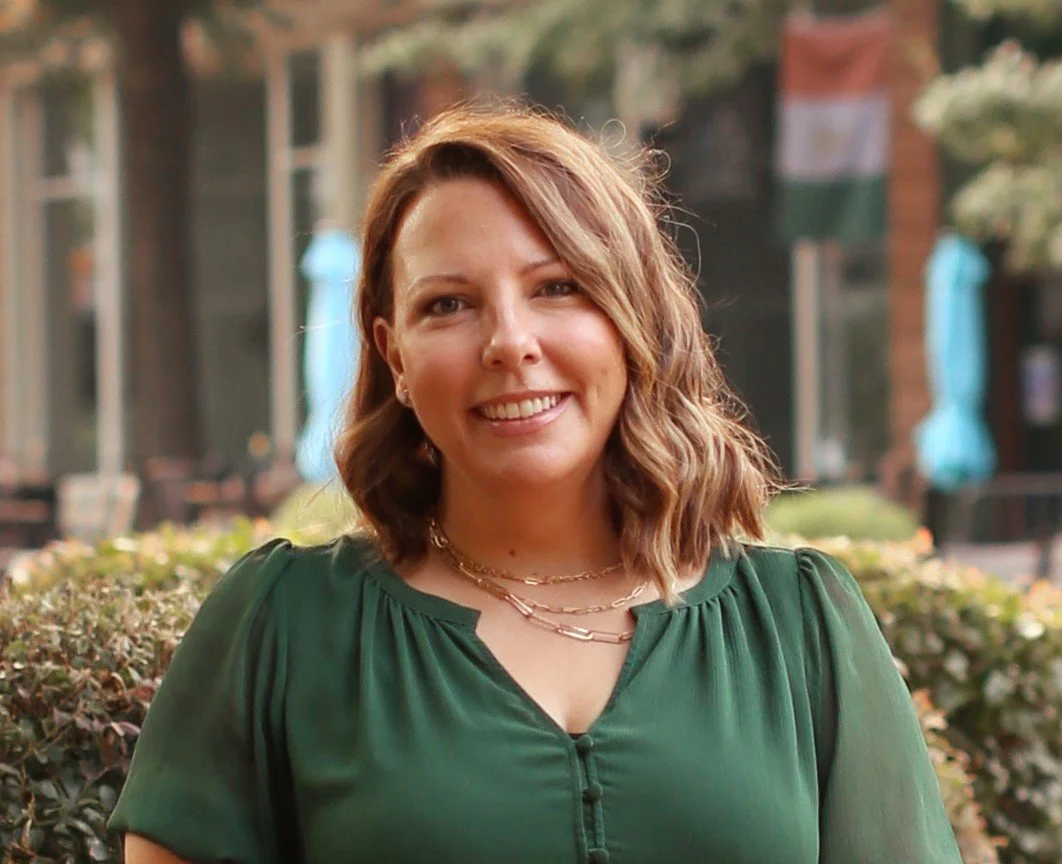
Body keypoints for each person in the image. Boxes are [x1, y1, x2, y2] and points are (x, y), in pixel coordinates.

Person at [110, 102, 962, 863]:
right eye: (448, 304)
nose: (510, 343)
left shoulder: (800, 626)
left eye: (557, 287)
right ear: (393, 355)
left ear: (631, 321)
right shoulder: (282, 628)